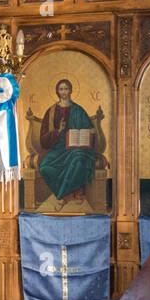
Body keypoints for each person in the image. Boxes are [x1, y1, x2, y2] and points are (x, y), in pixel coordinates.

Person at [30, 79, 101, 209]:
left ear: (71, 90)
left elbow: (89, 129)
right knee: (45, 166)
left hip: (77, 147)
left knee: (78, 159)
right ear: (57, 91)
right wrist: (58, 131)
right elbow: (43, 139)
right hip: (58, 148)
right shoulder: (51, 112)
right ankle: (67, 194)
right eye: (61, 89)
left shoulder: (78, 110)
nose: (64, 92)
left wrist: (90, 131)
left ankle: (62, 197)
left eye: (66, 89)